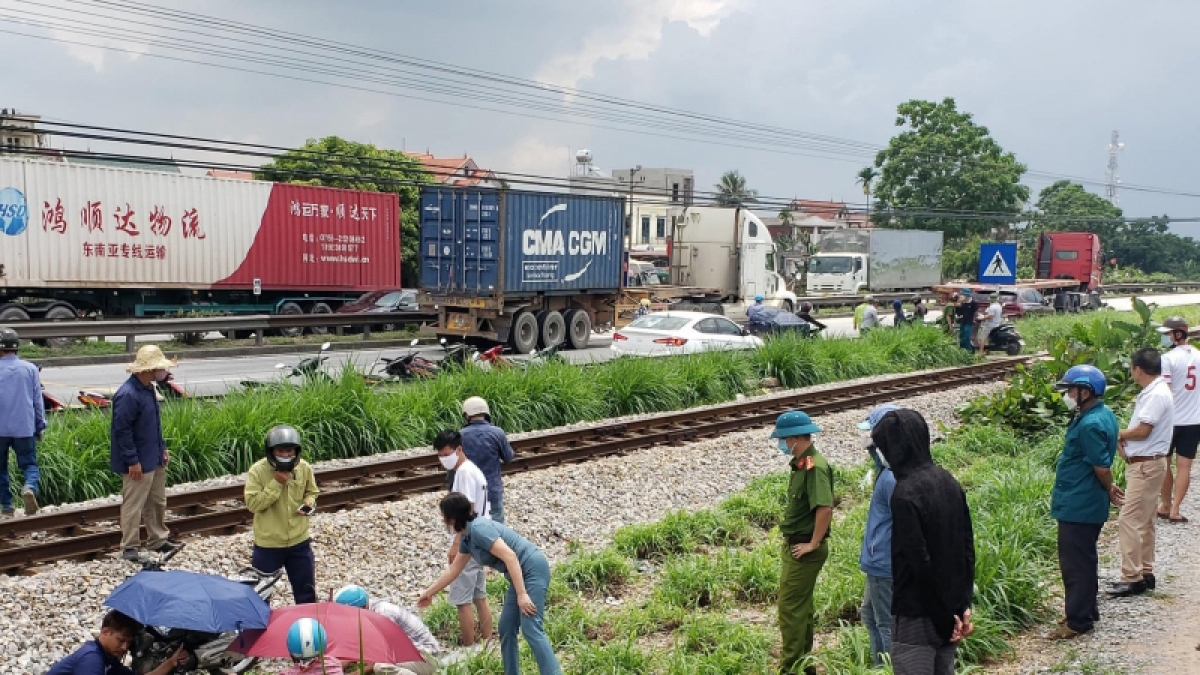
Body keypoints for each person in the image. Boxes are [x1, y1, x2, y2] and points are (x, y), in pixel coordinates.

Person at [872, 408, 975, 675]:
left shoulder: (904, 495)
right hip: (951, 607)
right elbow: (966, 547)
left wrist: (942, 618)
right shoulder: (948, 480)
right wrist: (962, 605)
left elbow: (919, 562)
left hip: (917, 614)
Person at [419, 492, 562, 675]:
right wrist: (429, 592)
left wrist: (522, 594)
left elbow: (510, 556)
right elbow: (454, 570)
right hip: (517, 575)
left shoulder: (479, 529)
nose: (443, 521)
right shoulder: (467, 537)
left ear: (452, 518)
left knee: (531, 627)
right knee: (506, 628)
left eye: (443, 517)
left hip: (532, 569)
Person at [1051, 365, 1122, 639]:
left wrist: (1109, 486)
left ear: (1085, 391)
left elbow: (1101, 466)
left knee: (1075, 564)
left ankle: (1078, 621)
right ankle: (1087, 608)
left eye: (1070, 389)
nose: (1067, 394)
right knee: (1085, 559)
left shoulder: (1090, 424)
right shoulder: (1100, 415)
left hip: (1079, 504)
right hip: (1083, 500)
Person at [771, 410, 832, 675]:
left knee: (790, 608)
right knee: (801, 607)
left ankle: (791, 667)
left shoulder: (814, 467)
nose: (783, 445)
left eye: (785, 439)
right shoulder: (802, 463)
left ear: (795, 438)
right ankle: (803, 665)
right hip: (797, 545)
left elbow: (825, 508)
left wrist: (813, 543)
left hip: (805, 548)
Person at [110, 345, 182, 561]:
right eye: (159, 368)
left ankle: (157, 539)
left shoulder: (148, 388)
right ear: (147, 370)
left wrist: (162, 448)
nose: (162, 372)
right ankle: (130, 546)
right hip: (138, 459)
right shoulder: (128, 395)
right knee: (134, 503)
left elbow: (154, 424)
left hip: (153, 455)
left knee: (157, 500)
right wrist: (132, 460)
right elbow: (122, 430)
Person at [1111, 348, 1173, 597]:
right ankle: (1145, 571)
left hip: (1145, 466)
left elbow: (1142, 431)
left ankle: (1132, 576)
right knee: (1146, 520)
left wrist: (1115, 433)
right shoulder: (1157, 390)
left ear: (1138, 369)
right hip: (1150, 464)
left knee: (1129, 519)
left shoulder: (1156, 394)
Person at [245, 425, 320, 604]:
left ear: (296, 451)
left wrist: (309, 503)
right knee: (260, 596)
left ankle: (308, 629)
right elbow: (253, 504)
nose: (286, 455)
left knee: (306, 594)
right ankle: (258, 631)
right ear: (271, 451)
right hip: (268, 545)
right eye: (280, 450)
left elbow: (312, 492)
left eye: (289, 450)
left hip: (299, 542)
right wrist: (276, 483)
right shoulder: (257, 471)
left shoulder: (304, 468)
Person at [435, 429, 494, 647]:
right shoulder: (472, 470)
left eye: (446, 453)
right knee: (479, 596)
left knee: (462, 601)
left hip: (470, 540)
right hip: (482, 537)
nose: (443, 458)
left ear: (459, 449)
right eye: (439, 454)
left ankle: (470, 650)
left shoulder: (464, 473)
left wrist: (456, 544)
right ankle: (488, 644)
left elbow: (466, 510)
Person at [857, 404, 898, 667]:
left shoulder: (892, 477)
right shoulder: (885, 471)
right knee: (869, 615)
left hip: (884, 562)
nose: (867, 440)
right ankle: (877, 666)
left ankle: (888, 668)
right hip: (877, 560)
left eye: (871, 433)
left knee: (885, 622)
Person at [333, 584, 442, 675]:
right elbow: (353, 648)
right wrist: (333, 668)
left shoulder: (383, 614)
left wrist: (355, 673)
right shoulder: (365, 614)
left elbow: (383, 656)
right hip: (406, 654)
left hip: (426, 656)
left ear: (359, 608)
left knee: (381, 667)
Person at [47, 609, 186, 675]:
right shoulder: (91, 658)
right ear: (105, 632)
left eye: (128, 642)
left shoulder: (108, 659)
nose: (124, 647)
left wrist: (171, 662)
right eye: (121, 640)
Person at [1158, 316, 1199, 523]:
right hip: (1194, 421)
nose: (1166, 337)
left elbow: (1165, 390)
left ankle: (1165, 504)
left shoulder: (1168, 358)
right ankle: (1175, 509)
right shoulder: (1199, 356)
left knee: (1165, 464)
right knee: (1185, 466)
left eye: (1168, 333)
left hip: (1171, 421)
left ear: (1177, 334)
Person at [0, 327, 44, 516]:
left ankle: (7, 507)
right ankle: (29, 488)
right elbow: (37, 401)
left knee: (0, 468)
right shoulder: (30, 369)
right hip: (24, 427)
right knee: (30, 465)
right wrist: (40, 425)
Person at [460, 397, 515, 523]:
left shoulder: (460, 435)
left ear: (466, 415)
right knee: (496, 528)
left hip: (469, 491)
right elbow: (508, 457)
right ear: (486, 412)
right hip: (492, 489)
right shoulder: (497, 433)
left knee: (471, 526)